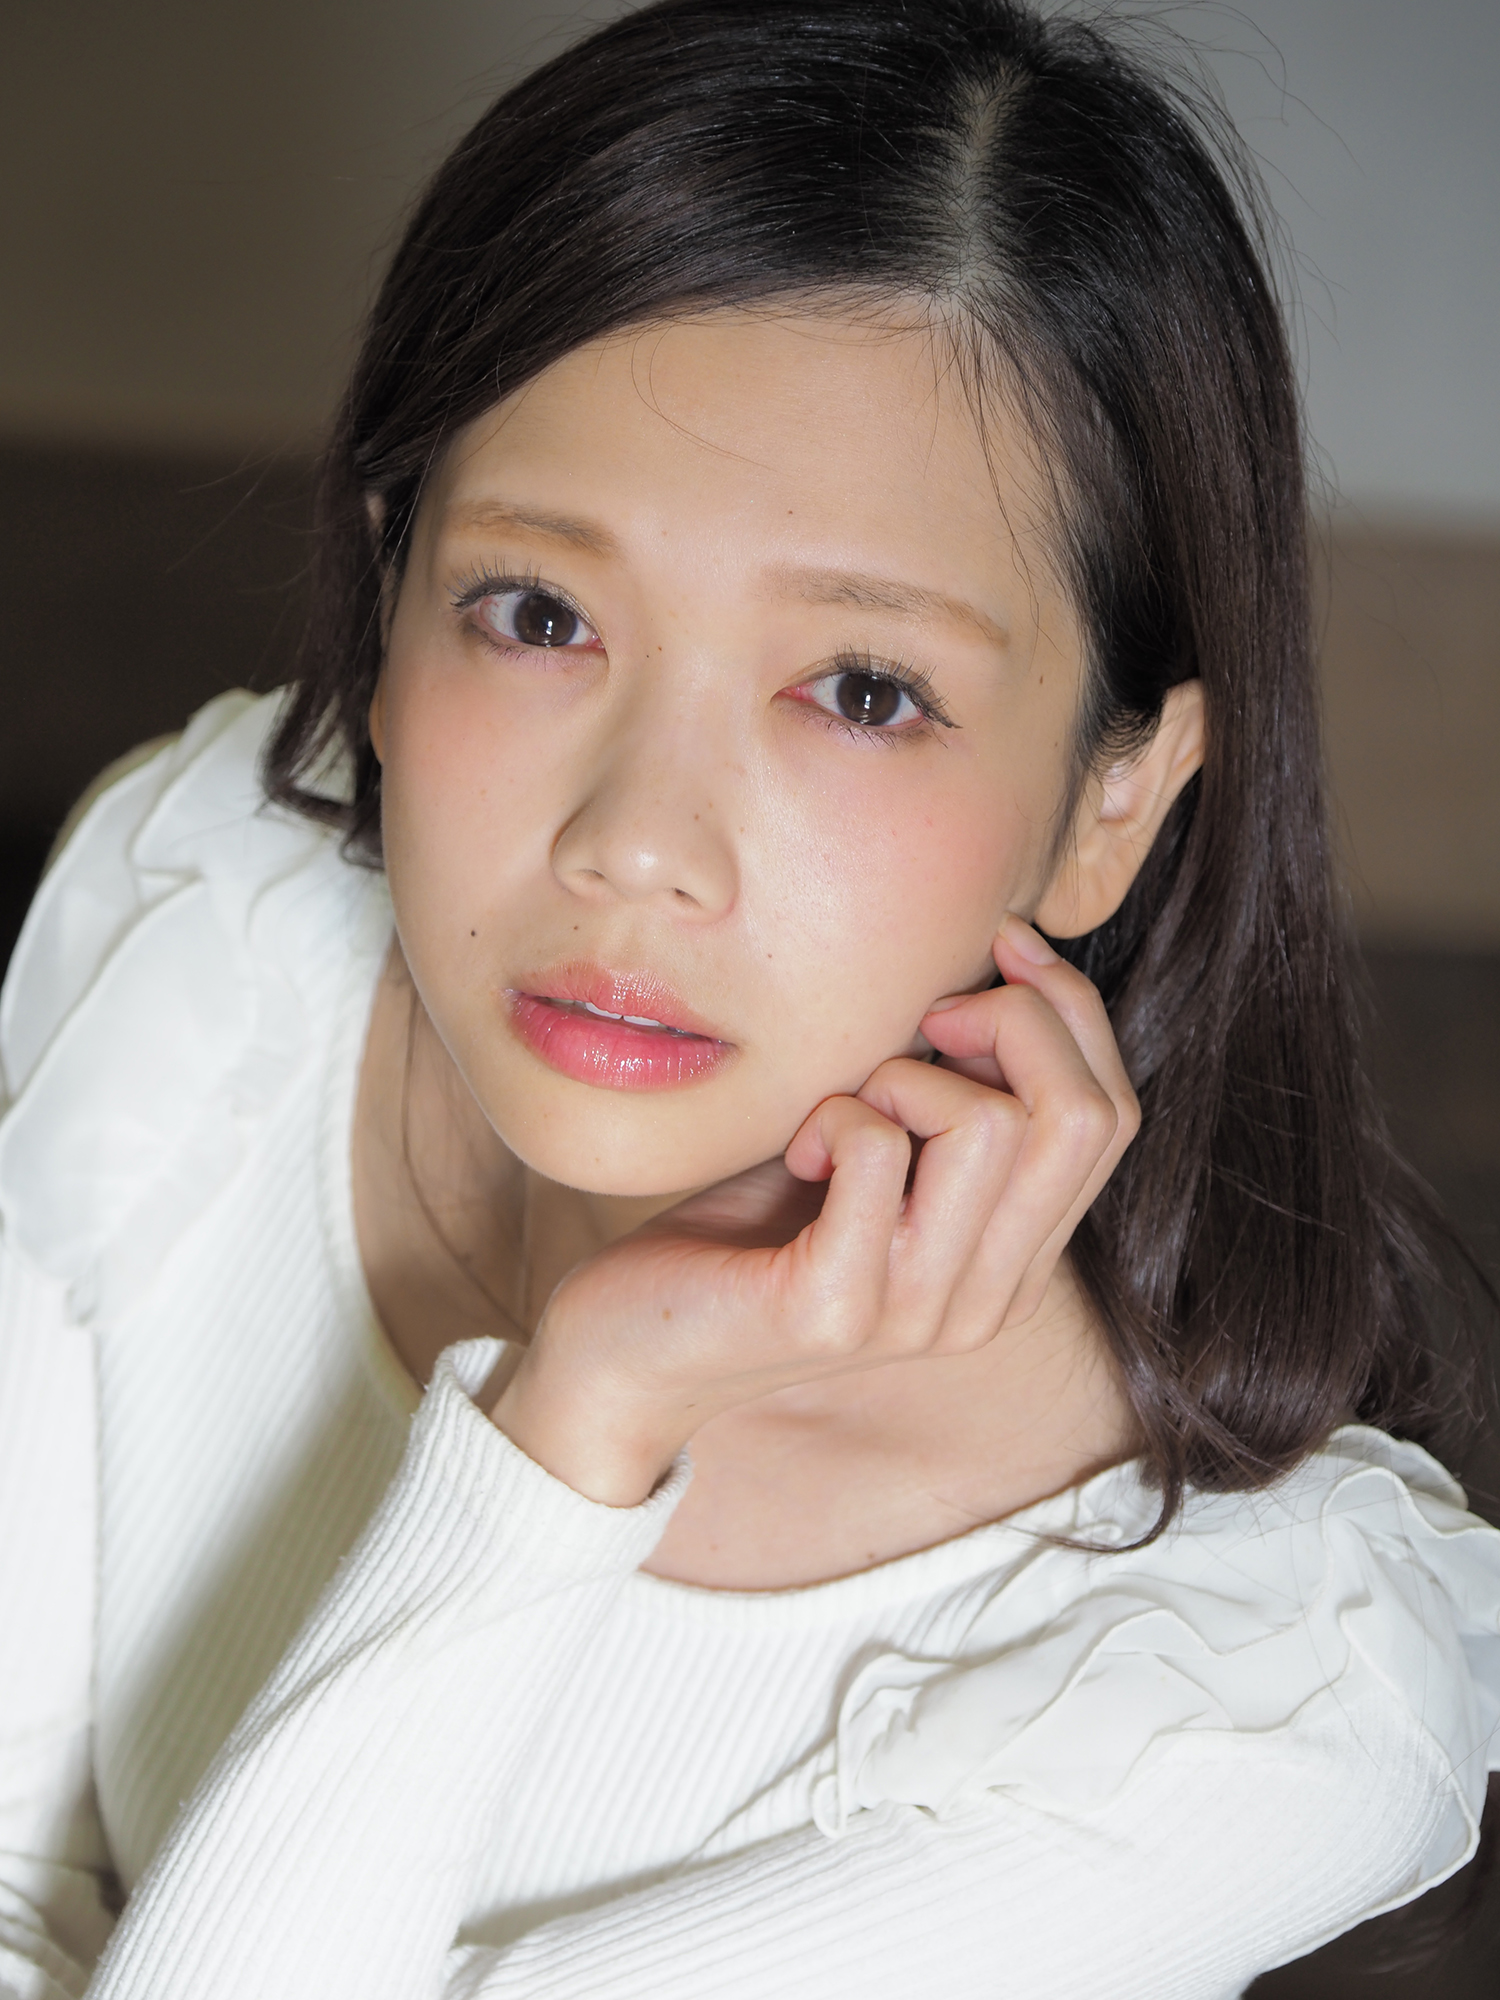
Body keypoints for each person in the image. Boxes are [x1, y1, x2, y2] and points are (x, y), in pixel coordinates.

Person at [2, 2, 1497, 1995]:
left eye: (862, 690)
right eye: (539, 612)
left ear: (1113, 803)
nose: (637, 846)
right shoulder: (218, 936)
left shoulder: (1241, 1709)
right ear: (388, 603)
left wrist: (579, 1424)